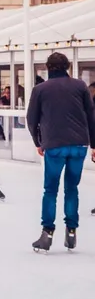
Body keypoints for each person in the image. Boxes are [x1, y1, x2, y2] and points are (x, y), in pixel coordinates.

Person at [25, 51, 95, 252]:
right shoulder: (80, 86)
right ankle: (71, 231)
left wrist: (38, 141)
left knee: (51, 189)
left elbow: (32, 119)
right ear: (68, 67)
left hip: (54, 144)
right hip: (79, 145)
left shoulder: (40, 89)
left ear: (48, 68)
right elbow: (91, 115)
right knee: (72, 188)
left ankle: (47, 233)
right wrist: (94, 144)